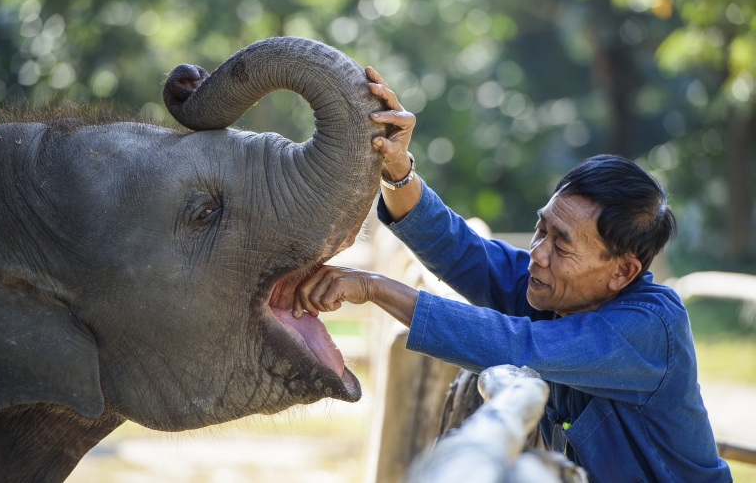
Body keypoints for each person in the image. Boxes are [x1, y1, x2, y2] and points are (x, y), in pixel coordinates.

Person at [292, 68, 732, 482]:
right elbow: (465, 254)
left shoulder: (650, 327)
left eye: (562, 244)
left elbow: (517, 345)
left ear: (622, 273)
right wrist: (396, 167)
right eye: (541, 228)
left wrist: (373, 287)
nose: (537, 255)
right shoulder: (559, 290)